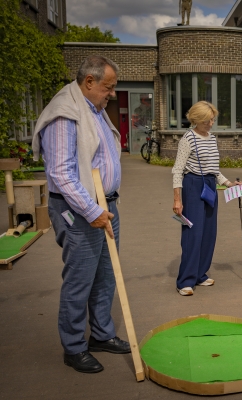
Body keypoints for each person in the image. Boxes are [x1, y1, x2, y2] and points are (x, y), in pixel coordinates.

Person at [32, 55, 130, 374]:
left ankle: (100, 335)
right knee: (80, 279)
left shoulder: (94, 109)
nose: (112, 94)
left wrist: (104, 209)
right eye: (108, 87)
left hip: (105, 204)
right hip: (80, 210)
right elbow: (61, 173)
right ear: (89, 82)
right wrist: (92, 211)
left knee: (104, 276)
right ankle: (74, 347)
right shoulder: (65, 113)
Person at [172, 101, 242, 296]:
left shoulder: (211, 138)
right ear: (197, 120)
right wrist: (177, 199)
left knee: (209, 233)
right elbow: (178, 170)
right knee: (193, 234)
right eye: (207, 121)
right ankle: (185, 280)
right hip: (193, 185)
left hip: (210, 185)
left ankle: (200, 274)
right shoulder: (188, 139)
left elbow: (214, 169)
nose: (211, 123)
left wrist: (228, 183)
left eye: (212, 120)